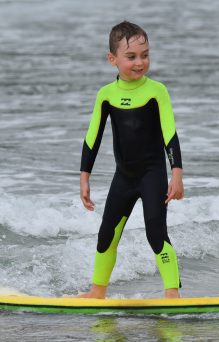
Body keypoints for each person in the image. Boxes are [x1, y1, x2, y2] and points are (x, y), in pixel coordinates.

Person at [78, 21, 184, 299]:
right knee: (106, 236)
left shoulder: (156, 91)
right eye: (132, 56)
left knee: (155, 233)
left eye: (145, 55)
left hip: (152, 174)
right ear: (112, 59)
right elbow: (93, 138)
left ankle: (172, 294)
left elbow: (169, 134)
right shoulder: (106, 95)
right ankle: (97, 292)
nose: (140, 62)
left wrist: (177, 173)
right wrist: (84, 177)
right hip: (123, 177)